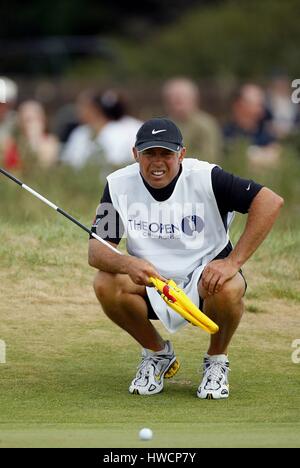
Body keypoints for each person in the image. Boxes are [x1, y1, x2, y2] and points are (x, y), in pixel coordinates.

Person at [88, 118, 283, 399]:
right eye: (149, 154)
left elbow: (269, 201)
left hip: (205, 282)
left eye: (166, 154)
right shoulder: (118, 185)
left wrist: (232, 262)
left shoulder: (207, 177)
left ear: (181, 153)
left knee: (229, 287)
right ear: (135, 154)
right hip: (153, 284)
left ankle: (216, 361)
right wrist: (127, 263)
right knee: (106, 282)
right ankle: (157, 353)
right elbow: (97, 250)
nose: (157, 162)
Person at [61, 90, 142, 173]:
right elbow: (68, 162)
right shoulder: (80, 133)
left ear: (95, 109)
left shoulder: (116, 132)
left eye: (82, 106)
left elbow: (117, 162)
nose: (78, 110)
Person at [162, 77, 222, 163]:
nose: (175, 102)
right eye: (172, 98)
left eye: (180, 99)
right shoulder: (163, 125)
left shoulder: (205, 125)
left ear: (194, 99)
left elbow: (209, 157)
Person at [223, 84, 281, 168]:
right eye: (257, 104)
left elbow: (277, 155)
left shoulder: (266, 132)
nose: (261, 109)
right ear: (239, 105)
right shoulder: (227, 133)